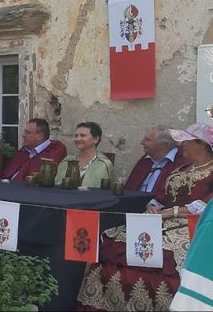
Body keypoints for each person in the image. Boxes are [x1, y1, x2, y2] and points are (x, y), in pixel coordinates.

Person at [78, 123, 213, 310]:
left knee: (165, 256)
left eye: (186, 141)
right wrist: (154, 208)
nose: (182, 145)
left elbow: (206, 206)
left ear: (202, 144)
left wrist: (169, 213)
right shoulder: (180, 169)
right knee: (115, 243)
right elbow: (163, 196)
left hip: (192, 223)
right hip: (160, 219)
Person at [0, 118, 68, 182]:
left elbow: (38, 179)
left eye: (27, 132)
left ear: (39, 136)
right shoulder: (24, 151)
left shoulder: (54, 151)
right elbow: (7, 172)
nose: (23, 135)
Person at [125, 125, 189, 193]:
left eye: (147, 140)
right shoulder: (145, 160)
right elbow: (129, 189)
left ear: (163, 144)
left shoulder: (181, 163)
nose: (142, 142)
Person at [54, 122, 112, 188]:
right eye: (76, 136)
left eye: (83, 135)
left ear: (96, 139)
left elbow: (99, 191)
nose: (78, 139)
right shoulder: (67, 161)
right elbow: (57, 187)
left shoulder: (102, 164)